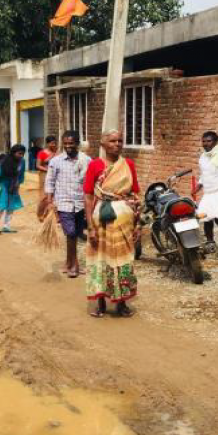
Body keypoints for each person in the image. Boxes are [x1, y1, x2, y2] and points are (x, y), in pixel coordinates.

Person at [84, 130, 141, 318]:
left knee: (123, 259)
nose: (117, 144)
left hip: (124, 218)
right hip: (101, 217)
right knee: (101, 258)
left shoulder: (128, 165)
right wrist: (90, 227)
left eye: (120, 141)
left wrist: (138, 224)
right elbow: (88, 196)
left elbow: (135, 194)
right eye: (112, 141)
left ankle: (122, 303)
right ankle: (100, 302)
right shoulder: (95, 165)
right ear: (103, 144)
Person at [45, 131, 91, 278]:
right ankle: (73, 265)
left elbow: (90, 182)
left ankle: (69, 261)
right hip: (63, 203)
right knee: (70, 233)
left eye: (71, 143)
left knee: (76, 234)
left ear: (77, 144)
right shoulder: (56, 161)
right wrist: (49, 201)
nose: (68, 146)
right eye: (65, 143)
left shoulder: (86, 160)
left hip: (80, 202)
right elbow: (50, 181)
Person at [0, 144, 26, 235]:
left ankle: (6, 226)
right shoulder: (5, 161)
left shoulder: (22, 161)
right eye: (19, 153)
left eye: (22, 154)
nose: (21, 156)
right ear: (13, 153)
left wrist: (19, 183)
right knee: (1, 206)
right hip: (4, 186)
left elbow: (21, 174)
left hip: (14, 186)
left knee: (11, 206)